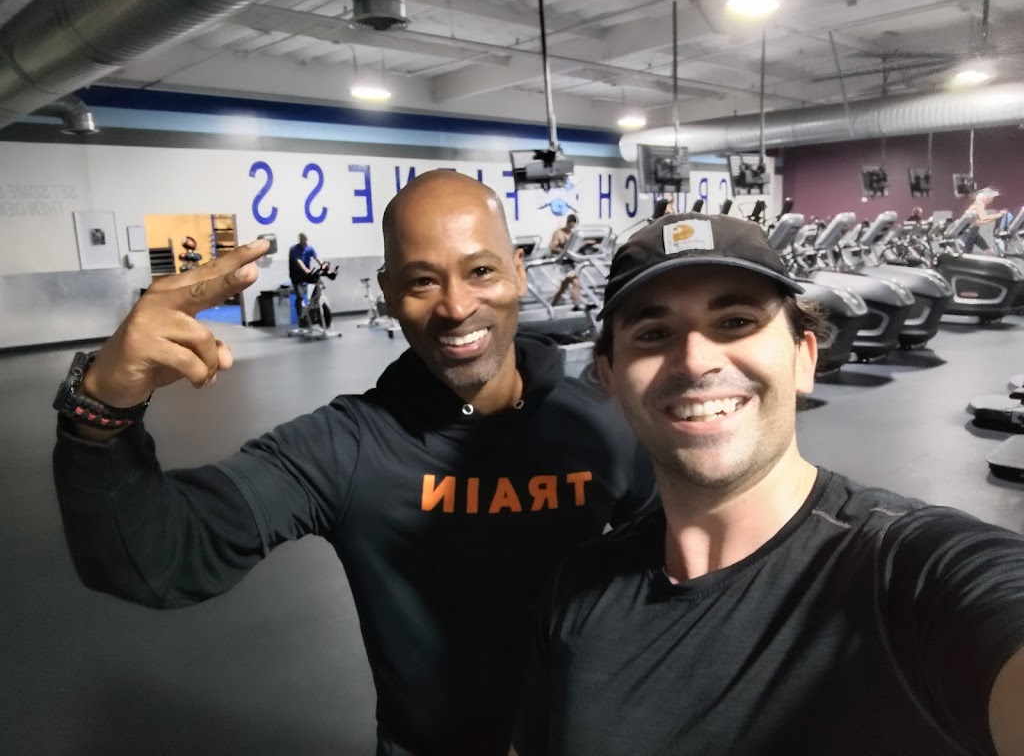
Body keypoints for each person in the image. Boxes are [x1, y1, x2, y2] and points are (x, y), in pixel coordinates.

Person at [51, 170, 655, 756]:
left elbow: (678, 567)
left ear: (518, 272)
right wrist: (102, 407)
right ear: (389, 294)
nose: (456, 305)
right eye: (422, 281)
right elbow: (156, 560)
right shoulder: (346, 447)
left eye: (480, 270)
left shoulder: (604, 424)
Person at [516, 212, 1024, 755]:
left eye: (735, 321)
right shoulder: (579, 587)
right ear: (611, 380)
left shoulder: (909, 571)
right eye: (654, 333)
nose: (695, 360)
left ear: (805, 358)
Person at [547, 214, 587, 310]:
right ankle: (577, 305)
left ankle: (551, 305)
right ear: (568, 223)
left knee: (563, 287)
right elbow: (552, 247)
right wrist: (563, 251)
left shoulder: (574, 234)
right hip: (562, 263)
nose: (572, 227)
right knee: (576, 283)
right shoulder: (559, 233)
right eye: (571, 224)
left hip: (571, 262)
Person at [963, 187, 1007, 254]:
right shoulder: (979, 203)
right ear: (986, 197)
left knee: (987, 250)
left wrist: (997, 217)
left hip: (974, 230)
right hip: (969, 230)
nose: (992, 200)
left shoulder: (979, 204)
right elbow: (983, 218)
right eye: (991, 198)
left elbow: (982, 221)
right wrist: (998, 215)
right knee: (967, 252)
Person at [288, 232, 320, 323]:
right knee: (300, 295)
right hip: (296, 276)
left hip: (307, 275)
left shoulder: (310, 249)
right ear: (300, 240)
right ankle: (300, 317)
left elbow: (317, 258)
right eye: (302, 239)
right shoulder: (294, 249)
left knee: (317, 288)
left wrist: (324, 265)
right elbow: (299, 261)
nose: (304, 241)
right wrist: (306, 270)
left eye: (305, 239)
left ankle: (314, 309)